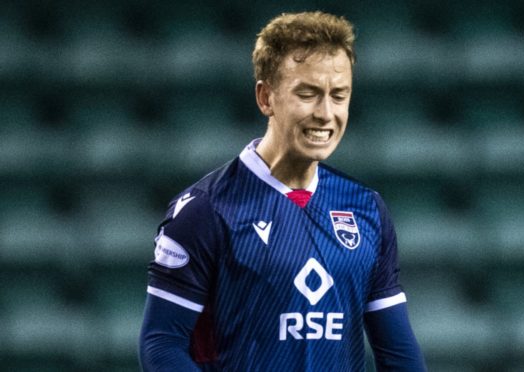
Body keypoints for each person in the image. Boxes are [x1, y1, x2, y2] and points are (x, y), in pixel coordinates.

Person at [139, 11, 426, 371]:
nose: (326, 113)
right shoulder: (205, 211)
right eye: (307, 94)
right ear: (266, 97)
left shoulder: (366, 208)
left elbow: (397, 353)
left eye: (339, 96)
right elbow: (162, 344)